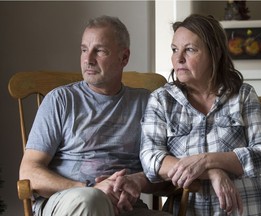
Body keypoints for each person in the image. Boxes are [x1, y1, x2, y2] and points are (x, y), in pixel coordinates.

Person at [19, 15, 172, 216]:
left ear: (124, 58)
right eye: (84, 49)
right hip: (69, 200)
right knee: (91, 200)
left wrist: (135, 182)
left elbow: (162, 172)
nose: (88, 59)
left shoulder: (146, 103)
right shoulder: (60, 100)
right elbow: (29, 172)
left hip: (124, 206)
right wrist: (87, 187)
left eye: (99, 51)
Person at [140, 14, 261, 216]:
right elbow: (151, 159)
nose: (179, 58)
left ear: (215, 53)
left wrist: (207, 160)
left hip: (247, 209)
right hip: (190, 210)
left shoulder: (244, 94)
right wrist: (212, 172)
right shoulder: (161, 100)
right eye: (175, 50)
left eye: (190, 49)